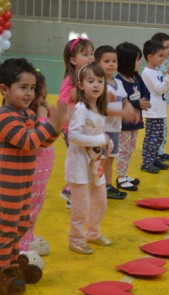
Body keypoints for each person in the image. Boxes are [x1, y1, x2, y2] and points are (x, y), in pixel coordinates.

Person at [0, 58, 72, 295]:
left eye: (32, 88)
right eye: (23, 87)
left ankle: (12, 266)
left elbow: (41, 142)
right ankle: (3, 272)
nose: (29, 93)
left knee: (19, 227)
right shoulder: (5, 118)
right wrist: (51, 122)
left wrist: (57, 124)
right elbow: (28, 140)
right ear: (4, 89)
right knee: (6, 230)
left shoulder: (26, 115)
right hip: (6, 189)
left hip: (22, 187)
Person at [65, 62, 114, 255]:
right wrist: (100, 139)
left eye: (100, 81)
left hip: (95, 165)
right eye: (91, 81)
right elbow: (73, 136)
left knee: (101, 201)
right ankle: (76, 239)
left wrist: (104, 143)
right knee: (81, 207)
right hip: (79, 167)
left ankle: (93, 232)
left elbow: (96, 134)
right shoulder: (80, 108)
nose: (96, 85)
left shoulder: (99, 108)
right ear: (81, 85)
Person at [19, 71, 54, 264]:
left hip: (41, 177)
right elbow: (39, 139)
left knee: (35, 208)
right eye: (41, 96)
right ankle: (21, 249)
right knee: (27, 211)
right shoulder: (27, 117)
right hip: (30, 174)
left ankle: (28, 239)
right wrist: (42, 116)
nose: (42, 100)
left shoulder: (37, 115)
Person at [94, 45, 139, 198]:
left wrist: (131, 110)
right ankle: (96, 187)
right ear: (97, 63)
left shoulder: (118, 83)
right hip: (101, 131)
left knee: (110, 159)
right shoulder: (98, 84)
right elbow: (101, 109)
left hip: (115, 129)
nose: (112, 64)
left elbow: (125, 100)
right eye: (107, 61)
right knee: (99, 160)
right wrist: (122, 112)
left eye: (114, 61)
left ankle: (107, 186)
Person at [58, 37, 95, 208]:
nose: (90, 58)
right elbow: (62, 103)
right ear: (73, 60)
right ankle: (70, 191)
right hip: (73, 128)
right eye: (85, 54)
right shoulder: (71, 81)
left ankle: (76, 191)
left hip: (85, 126)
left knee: (87, 159)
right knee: (79, 160)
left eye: (92, 54)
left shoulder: (87, 77)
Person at [141, 39, 169, 173]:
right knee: (151, 137)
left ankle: (154, 159)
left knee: (159, 136)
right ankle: (147, 162)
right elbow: (160, 89)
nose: (162, 58)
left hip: (160, 110)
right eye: (160, 56)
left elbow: (166, 87)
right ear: (150, 57)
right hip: (153, 111)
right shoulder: (147, 73)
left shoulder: (157, 71)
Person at [115, 42, 151, 191]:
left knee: (130, 149)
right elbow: (122, 102)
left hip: (136, 122)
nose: (140, 62)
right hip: (124, 124)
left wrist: (144, 100)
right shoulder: (118, 80)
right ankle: (121, 178)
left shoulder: (136, 77)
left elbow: (146, 92)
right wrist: (138, 104)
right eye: (137, 59)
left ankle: (124, 174)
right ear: (127, 62)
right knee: (123, 150)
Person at [151, 32, 169, 162]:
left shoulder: (166, 63)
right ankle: (154, 154)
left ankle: (160, 151)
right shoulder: (155, 67)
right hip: (156, 104)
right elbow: (160, 84)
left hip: (164, 103)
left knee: (163, 129)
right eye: (166, 47)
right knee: (157, 130)